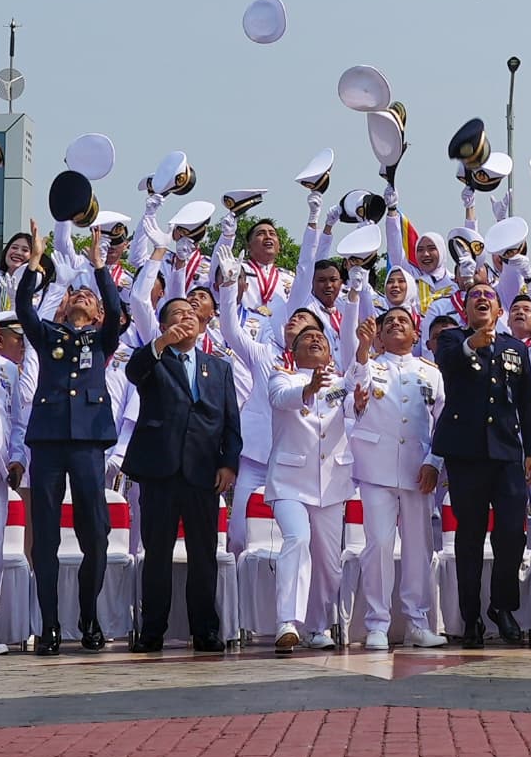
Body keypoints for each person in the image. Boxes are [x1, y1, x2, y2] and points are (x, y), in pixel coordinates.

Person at [18, 256, 129, 654]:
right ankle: (48, 623)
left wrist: (101, 269)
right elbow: (23, 310)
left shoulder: (102, 339)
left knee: (95, 534)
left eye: (90, 296)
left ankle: (89, 615)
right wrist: (34, 267)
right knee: (44, 535)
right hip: (48, 440)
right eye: (75, 293)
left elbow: (116, 310)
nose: (82, 296)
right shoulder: (49, 336)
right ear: (63, 307)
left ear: (98, 312)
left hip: (88, 441)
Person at [120, 294, 241, 653]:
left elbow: (229, 421)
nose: (186, 318)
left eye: (192, 313)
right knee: (156, 552)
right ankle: (152, 630)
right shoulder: (155, 359)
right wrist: (161, 342)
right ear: (163, 324)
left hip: (204, 470)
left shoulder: (218, 368)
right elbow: (133, 371)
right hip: (161, 468)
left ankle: (205, 629)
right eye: (177, 314)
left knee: (203, 554)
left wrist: (229, 462)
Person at [427, 283, 531, 646]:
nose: (481, 299)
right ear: (465, 307)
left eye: (488, 296)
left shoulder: (514, 347)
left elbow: (526, 402)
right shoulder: (451, 339)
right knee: (470, 536)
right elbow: (447, 364)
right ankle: (471, 615)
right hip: (467, 453)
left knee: (511, 532)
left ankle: (502, 606)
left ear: (498, 308)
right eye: (475, 296)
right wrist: (469, 345)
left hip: (507, 452)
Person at [347, 307, 445, 652]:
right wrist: (361, 349)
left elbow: (443, 421)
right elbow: (352, 394)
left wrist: (434, 462)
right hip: (376, 468)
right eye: (388, 323)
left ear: (416, 335)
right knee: (379, 546)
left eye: (403, 321)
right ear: (379, 336)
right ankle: (377, 622)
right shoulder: (370, 365)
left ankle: (418, 622)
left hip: (418, 470)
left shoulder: (430, 372)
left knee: (420, 547)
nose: (395, 325)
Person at [264, 306, 357, 652]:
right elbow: (282, 400)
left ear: (330, 352)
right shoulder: (283, 377)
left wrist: (358, 401)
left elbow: (353, 408)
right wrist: (309, 388)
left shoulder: (341, 383)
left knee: (329, 563)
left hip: (331, 484)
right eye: (307, 338)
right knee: (297, 540)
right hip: (289, 481)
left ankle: (318, 627)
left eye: (320, 337)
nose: (314, 339)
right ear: (294, 351)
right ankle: (286, 623)